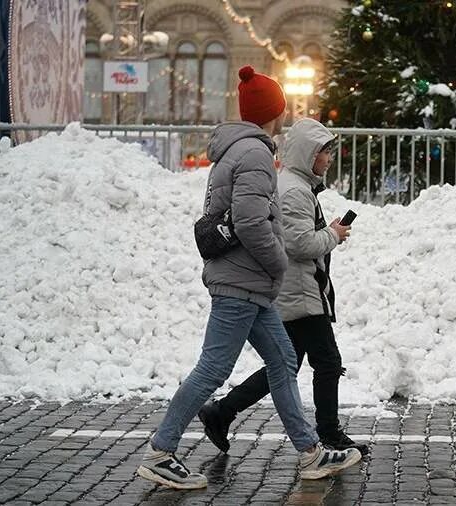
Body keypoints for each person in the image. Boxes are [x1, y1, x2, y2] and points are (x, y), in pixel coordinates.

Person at [135, 66, 360, 490]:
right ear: (274, 112)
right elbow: (252, 222)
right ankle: (160, 451)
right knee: (213, 369)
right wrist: (277, 262)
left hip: (249, 284)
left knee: (283, 361)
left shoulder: (236, 150)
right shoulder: (254, 153)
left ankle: (310, 452)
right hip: (243, 282)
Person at [197, 117, 369, 456]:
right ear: (308, 153)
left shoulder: (295, 185)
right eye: (324, 152)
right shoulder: (294, 191)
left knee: (285, 364)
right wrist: (333, 234)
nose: (329, 159)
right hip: (300, 294)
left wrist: (328, 232)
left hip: (297, 291)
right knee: (327, 362)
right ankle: (329, 434)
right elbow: (299, 244)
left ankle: (221, 412)